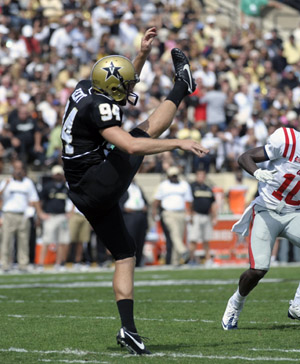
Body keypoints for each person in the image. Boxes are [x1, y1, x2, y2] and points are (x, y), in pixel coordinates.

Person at [60, 27, 208, 355]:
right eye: (127, 85)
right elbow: (129, 144)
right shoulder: (99, 108)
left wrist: (140, 55)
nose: (132, 88)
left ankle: (128, 330)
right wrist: (178, 142)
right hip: (96, 182)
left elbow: (121, 84)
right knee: (146, 131)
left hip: (82, 189)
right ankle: (183, 85)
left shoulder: (87, 88)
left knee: (125, 254)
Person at [222, 125, 300, 330]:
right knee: (258, 270)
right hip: (267, 209)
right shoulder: (289, 140)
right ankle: (236, 302)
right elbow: (244, 157)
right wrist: (257, 172)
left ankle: (298, 305)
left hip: (294, 213)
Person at [0, 160, 44, 272]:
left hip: (23, 215)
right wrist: (5, 185)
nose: (18, 171)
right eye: (16, 168)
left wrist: (39, 214)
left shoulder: (28, 182)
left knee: (24, 241)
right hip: (9, 214)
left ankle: (23, 264)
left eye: (20, 168)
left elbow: (35, 199)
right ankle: (5, 264)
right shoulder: (6, 182)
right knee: (6, 241)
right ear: (12, 169)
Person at [152, 166, 193, 266]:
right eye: (172, 176)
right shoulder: (163, 185)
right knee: (174, 233)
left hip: (181, 213)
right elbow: (156, 200)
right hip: (168, 213)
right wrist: (154, 212)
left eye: (175, 175)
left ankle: (175, 262)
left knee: (178, 237)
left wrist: (189, 213)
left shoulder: (184, 185)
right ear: (168, 176)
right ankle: (184, 251)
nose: (174, 177)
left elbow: (189, 200)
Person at [38, 165, 71, 271]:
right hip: (50, 216)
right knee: (47, 241)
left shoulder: (65, 187)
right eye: (56, 174)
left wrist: (71, 212)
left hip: (62, 216)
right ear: (53, 175)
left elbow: (74, 199)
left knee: (63, 241)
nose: (58, 175)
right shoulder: (47, 186)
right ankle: (40, 264)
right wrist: (40, 213)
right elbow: (39, 200)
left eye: (59, 174)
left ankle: (59, 263)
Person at [188, 168, 218, 266]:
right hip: (196, 215)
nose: (201, 177)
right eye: (199, 175)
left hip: (206, 216)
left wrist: (214, 216)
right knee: (193, 239)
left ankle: (208, 259)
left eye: (202, 175)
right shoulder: (192, 187)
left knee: (206, 239)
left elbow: (213, 203)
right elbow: (189, 201)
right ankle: (191, 259)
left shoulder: (208, 188)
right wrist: (190, 214)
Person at [120, 179, 148, 267]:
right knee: (131, 240)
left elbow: (144, 200)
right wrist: (124, 209)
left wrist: (145, 206)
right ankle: (129, 262)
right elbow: (119, 202)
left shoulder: (137, 187)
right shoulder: (122, 187)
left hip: (140, 215)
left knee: (140, 239)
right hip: (129, 216)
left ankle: (138, 262)